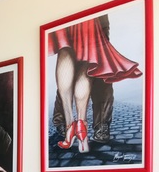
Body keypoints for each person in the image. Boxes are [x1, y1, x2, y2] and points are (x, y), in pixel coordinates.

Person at [49, 14, 142, 153]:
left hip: (65, 12)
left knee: (65, 47)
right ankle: (82, 127)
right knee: (88, 56)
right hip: (90, 18)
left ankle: (69, 125)